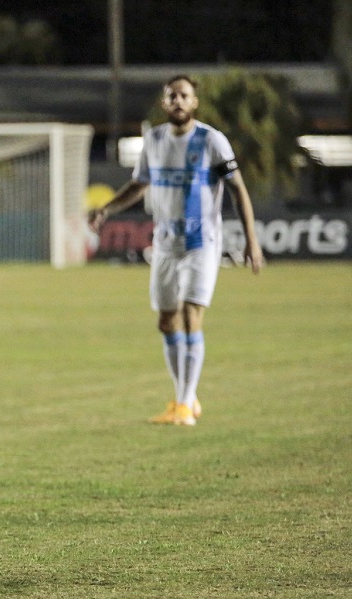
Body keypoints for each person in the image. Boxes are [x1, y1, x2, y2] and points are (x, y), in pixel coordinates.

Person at [88, 75, 263, 426]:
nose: (178, 101)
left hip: (201, 243)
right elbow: (139, 184)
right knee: (167, 321)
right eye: (172, 96)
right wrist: (108, 208)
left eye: (184, 96)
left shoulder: (211, 140)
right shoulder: (154, 140)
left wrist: (251, 239)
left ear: (194, 102)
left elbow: (238, 189)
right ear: (164, 103)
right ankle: (186, 398)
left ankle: (184, 404)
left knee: (190, 314)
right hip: (165, 244)